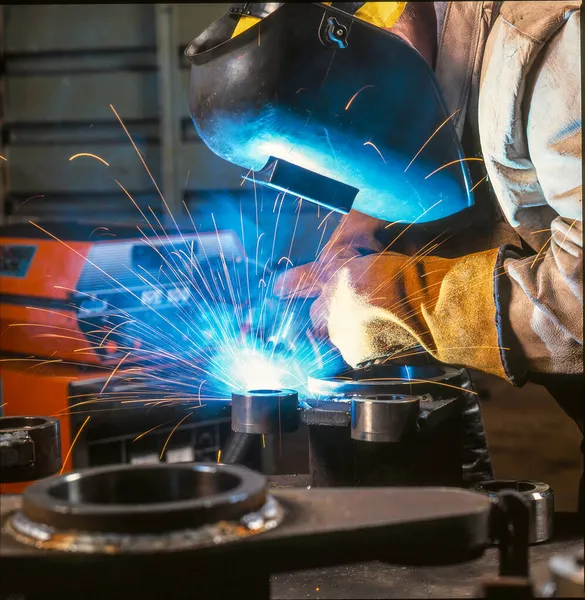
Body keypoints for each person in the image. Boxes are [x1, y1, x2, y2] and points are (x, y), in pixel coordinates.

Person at [186, 2, 582, 500]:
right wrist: (352, 246)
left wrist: (398, 299)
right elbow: (430, 165)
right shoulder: (421, 55)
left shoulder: (549, 40)